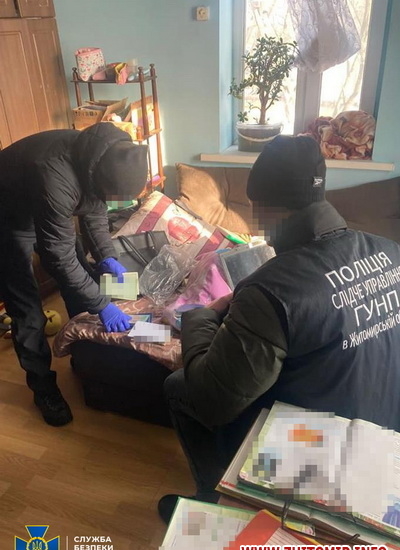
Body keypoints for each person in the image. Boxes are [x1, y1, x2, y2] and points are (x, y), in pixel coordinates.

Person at [157, 135, 400, 523]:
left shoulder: (273, 288)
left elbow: (214, 400)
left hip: (320, 447)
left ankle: (215, 505)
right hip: (383, 428)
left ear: (266, 208)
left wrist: (200, 317)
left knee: (180, 387)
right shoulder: (389, 251)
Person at [0, 122, 148, 427]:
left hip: (42, 206)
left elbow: (95, 214)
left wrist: (107, 257)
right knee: (28, 311)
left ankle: (86, 357)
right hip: (7, 216)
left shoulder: (100, 158)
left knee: (83, 278)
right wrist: (102, 305)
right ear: (97, 176)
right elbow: (58, 256)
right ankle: (43, 389)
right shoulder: (54, 174)